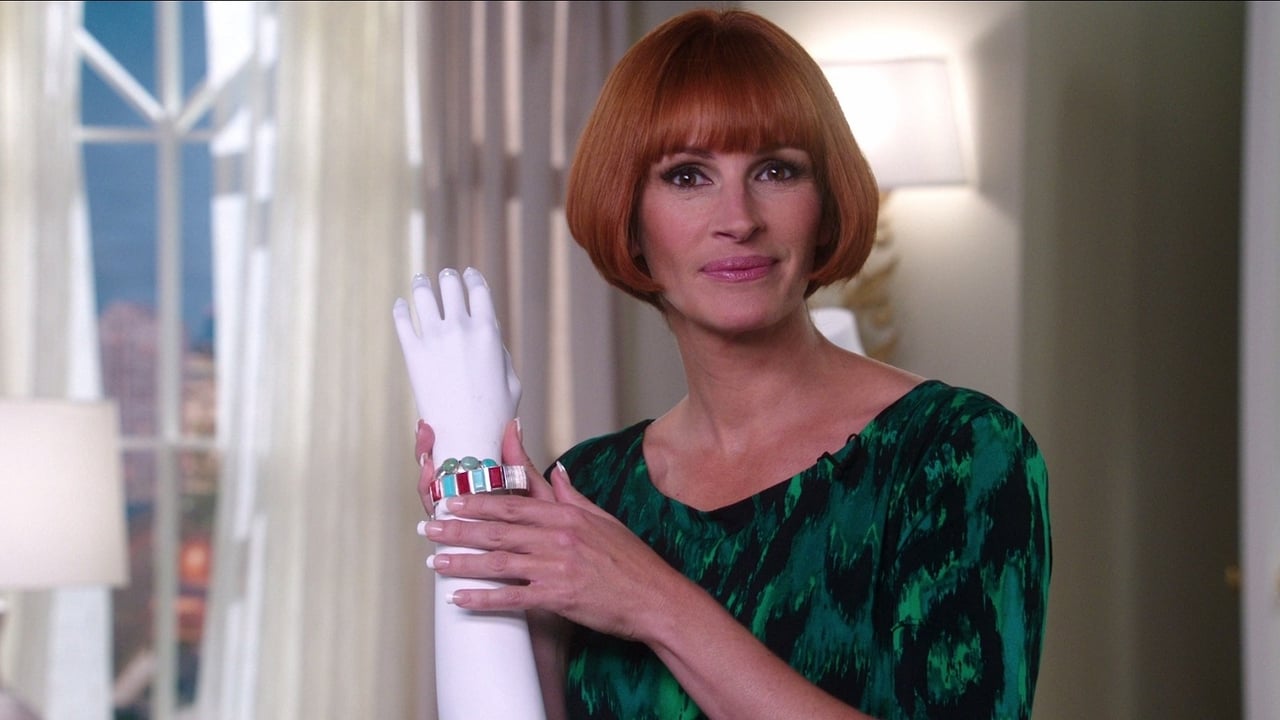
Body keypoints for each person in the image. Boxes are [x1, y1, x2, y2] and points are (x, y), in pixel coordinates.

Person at [414, 8, 1051, 720]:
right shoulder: (589, 488)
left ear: (825, 202)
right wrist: (487, 537)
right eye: (687, 176)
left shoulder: (957, 452)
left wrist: (652, 600)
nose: (739, 219)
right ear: (630, 217)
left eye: (776, 170)